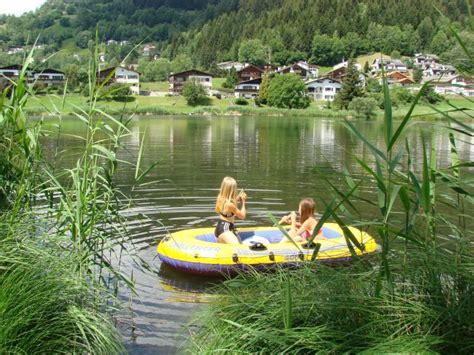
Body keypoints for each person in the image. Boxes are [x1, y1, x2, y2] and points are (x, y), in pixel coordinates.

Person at [214, 176, 247, 244]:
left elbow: (230, 206)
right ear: (232, 190)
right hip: (225, 229)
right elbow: (242, 216)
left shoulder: (220, 198)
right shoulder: (230, 205)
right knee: (237, 248)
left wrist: (237, 198)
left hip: (221, 227)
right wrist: (243, 202)